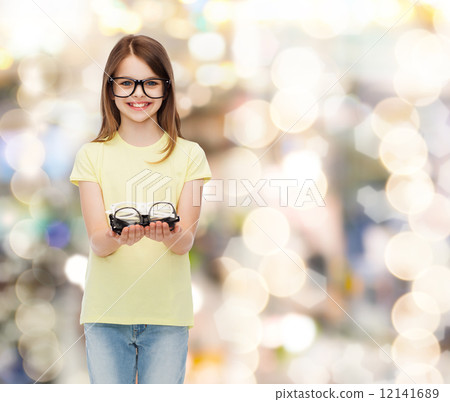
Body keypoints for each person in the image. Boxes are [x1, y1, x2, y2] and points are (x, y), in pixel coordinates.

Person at [70, 34, 211, 384]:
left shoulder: (189, 155)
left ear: (166, 88)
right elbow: (98, 243)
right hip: (106, 315)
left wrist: (170, 234)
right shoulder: (92, 155)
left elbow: (185, 243)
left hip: (167, 317)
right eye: (127, 83)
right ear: (111, 88)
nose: (138, 94)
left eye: (150, 83)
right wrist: (119, 238)